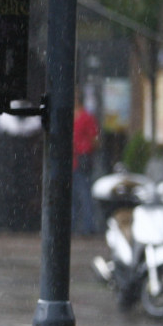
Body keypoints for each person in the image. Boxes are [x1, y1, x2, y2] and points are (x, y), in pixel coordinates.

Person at [72, 100, 100, 236]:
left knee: (84, 194)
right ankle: (72, 225)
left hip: (81, 161)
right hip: (70, 162)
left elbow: (94, 138)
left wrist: (85, 150)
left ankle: (87, 226)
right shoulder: (72, 116)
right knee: (73, 196)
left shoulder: (86, 117)